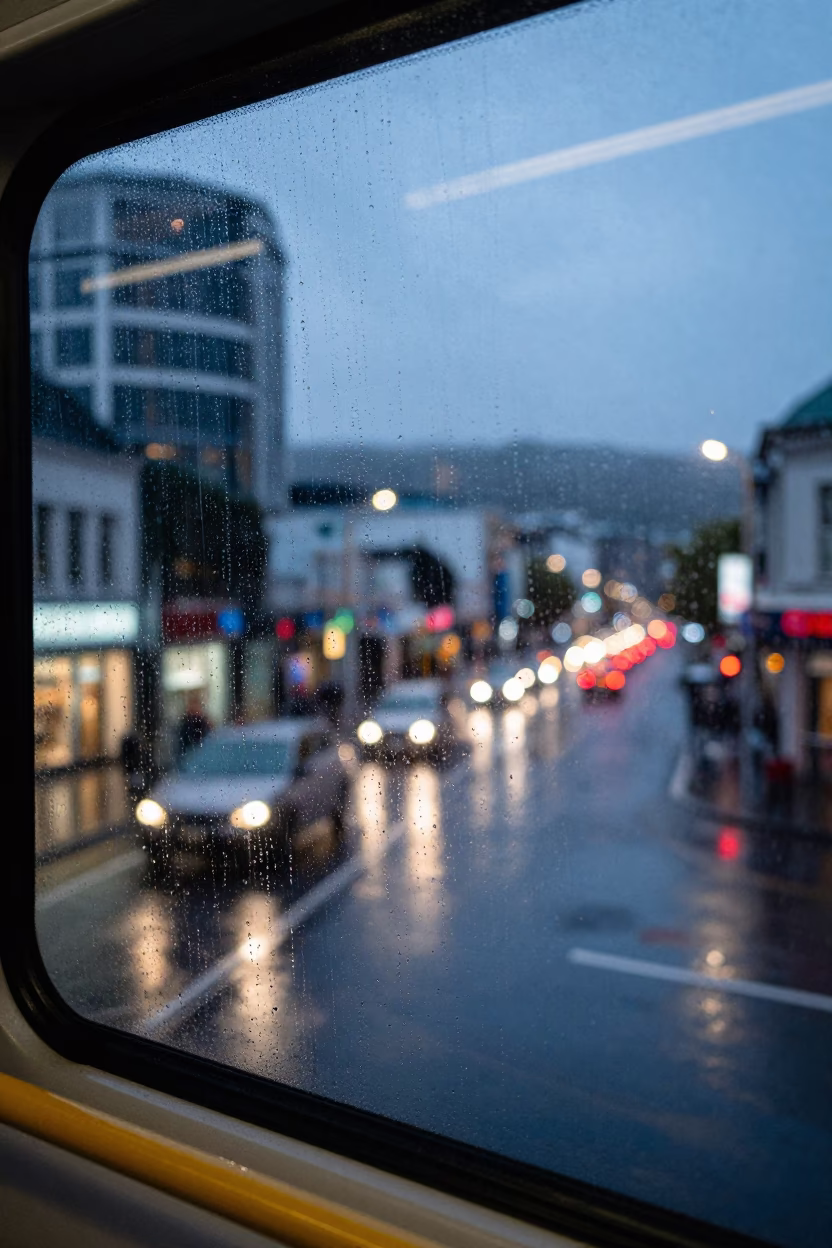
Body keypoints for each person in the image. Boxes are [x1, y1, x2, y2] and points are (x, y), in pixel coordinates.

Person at [177, 694, 211, 758]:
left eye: (197, 706)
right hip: (189, 754)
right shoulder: (185, 723)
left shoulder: (203, 722)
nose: (195, 709)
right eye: (193, 705)